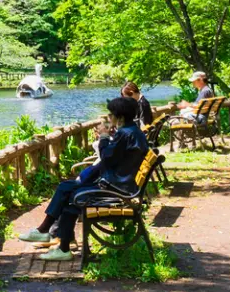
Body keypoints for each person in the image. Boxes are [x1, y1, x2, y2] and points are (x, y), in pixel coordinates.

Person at [16, 96, 149, 254]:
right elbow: (114, 157)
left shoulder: (125, 134)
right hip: (122, 185)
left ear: (120, 117)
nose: (109, 118)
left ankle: (49, 235)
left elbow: (107, 158)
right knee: (69, 193)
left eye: (111, 115)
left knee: (69, 192)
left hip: (115, 189)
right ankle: (58, 244)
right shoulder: (131, 132)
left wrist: (104, 137)